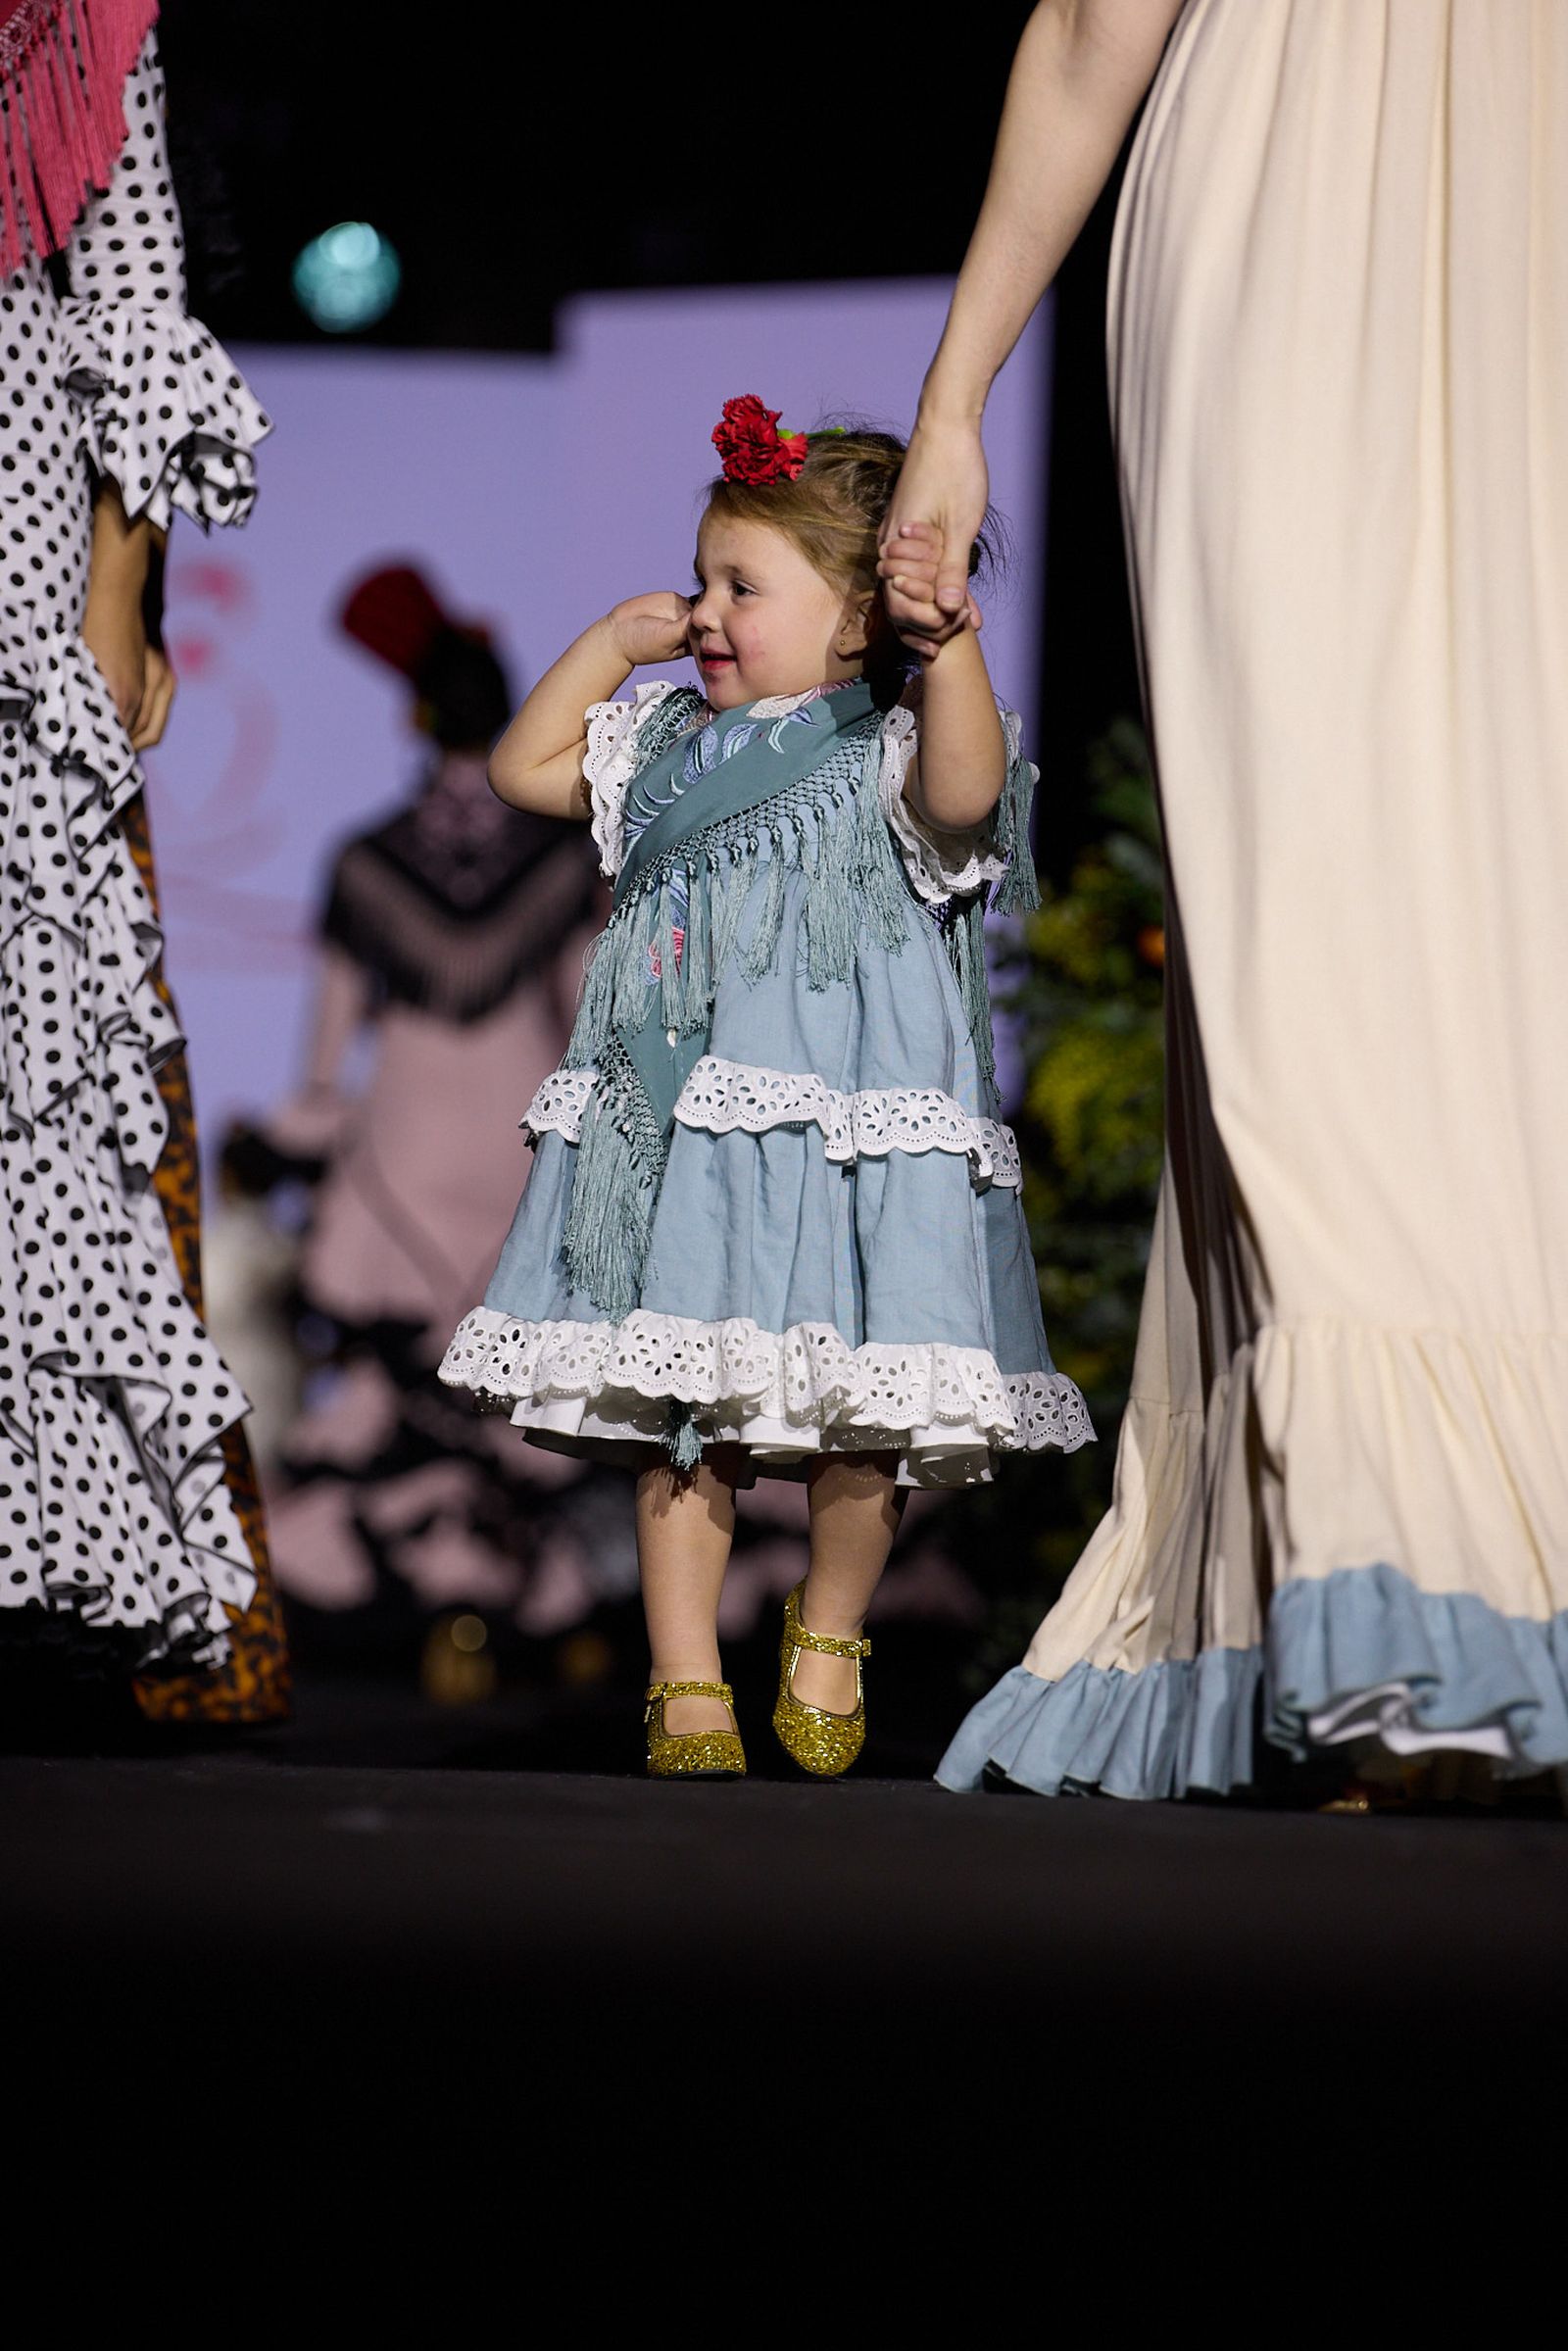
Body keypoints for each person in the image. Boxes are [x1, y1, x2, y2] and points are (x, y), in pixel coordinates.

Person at [882, 0, 1568, 1802]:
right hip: (1293, 190)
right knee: (1320, 891)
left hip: (1522, 184)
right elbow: (1099, 23)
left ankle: (1435, 1571)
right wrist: (955, 394)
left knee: (1514, 894)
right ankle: (1404, 1572)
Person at [439, 400, 1091, 1779]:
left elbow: (972, 797)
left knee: (864, 1415)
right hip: (689, 1136)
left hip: (846, 1142)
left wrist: (949, 642)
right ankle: (684, 1675)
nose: (709, 612)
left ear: (861, 620)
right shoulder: (668, 742)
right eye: (702, 581)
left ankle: (832, 1625)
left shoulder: (898, 748)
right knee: (692, 1419)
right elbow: (522, 766)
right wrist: (615, 649)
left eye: (745, 587)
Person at [0, 2, 281, 1705]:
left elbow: (131, 281)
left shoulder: (77, 17)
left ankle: (64, 1579)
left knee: (38, 1065)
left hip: (19, 508)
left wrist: (119, 595)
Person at [260, 565, 612, 1634]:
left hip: (402, 1143)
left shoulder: (367, 859)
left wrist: (313, 1114)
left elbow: (327, 1038)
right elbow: (586, 1009)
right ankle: (513, 1589)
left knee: (393, 1384)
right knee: (510, 1389)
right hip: (520, 1132)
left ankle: (412, 1589)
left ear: (415, 714)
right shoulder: (561, 851)